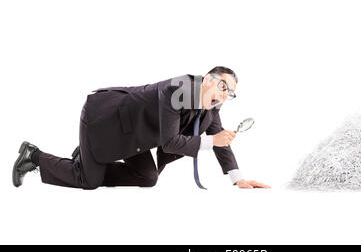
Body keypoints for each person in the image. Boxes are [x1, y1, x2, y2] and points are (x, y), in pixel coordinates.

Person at [12, 66, 270, 190]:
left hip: (135, 134)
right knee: (88, 181)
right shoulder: (178, 90)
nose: (224, 96)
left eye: (231, 94)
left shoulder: (210, 108)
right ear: (207, 81)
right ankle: (33, 156)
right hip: (104, 121)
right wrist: (212, 142)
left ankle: (87, 158)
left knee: (148, 178)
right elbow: (171, 142)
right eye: (223, 87)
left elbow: (219, 139)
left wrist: (238, 179)